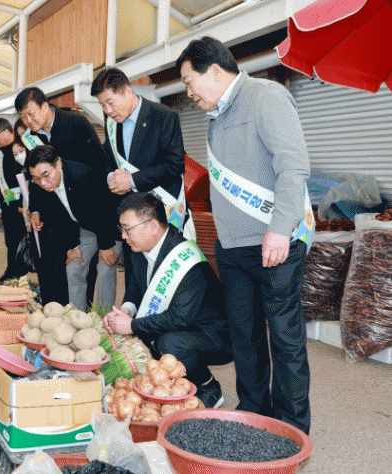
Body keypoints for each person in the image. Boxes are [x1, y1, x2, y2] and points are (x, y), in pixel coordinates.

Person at [176, 37, 314, 433]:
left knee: (285, 339)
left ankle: (291, 427)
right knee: (245, 337)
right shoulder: (216, 117)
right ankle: (254, 412)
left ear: (214, 71)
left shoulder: (266, 97)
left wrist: (280, 229)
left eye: (188, 81)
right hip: (233, 249)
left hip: (274, 243)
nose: (188, 93)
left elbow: (293, 166)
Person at [104, 193, 232, 408]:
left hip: (215, 335)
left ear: (153, 226)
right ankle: (175, 381)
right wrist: (127, 310)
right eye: (121, 229)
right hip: (181, 324)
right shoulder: (139, 248)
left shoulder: (186, 260)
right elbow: (135, 288)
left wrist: (132, 325)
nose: (124, 236)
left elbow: (177, 319)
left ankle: (208, 386)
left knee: (169, 343)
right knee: (149, 344)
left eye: (127, 229)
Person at [90, 67, 191, 238]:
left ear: (128, 91)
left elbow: (174, 165)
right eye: (102, 105)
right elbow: (108, 156)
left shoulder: (163, 116)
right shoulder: (111, 123)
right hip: (130, 217)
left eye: (110, 102)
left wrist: (132, 180)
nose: (107, 110)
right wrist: (111, 178)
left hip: (162, 213)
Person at [28, 145, 122, 311]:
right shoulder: (41, 184)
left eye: (46, 175)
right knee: (73, 268)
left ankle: (103, 317)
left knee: (105, 267)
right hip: (85, 228)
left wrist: (106, 245)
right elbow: (61, 218)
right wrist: (73, 246)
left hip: (109, 227)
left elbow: (104, 210)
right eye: (36, 178)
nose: (43, 183)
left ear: (58, 164)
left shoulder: (81, 175)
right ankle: (77, 317)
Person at [14, 86, 106, 176]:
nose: (28, 120)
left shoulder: (76, 122)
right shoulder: (29, 138)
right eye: (23, 117)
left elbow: (100, 159)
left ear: (45, 107)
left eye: (31, 114)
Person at [0, 118, 30, 281]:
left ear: (6, 132)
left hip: (19, 207)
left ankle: (16, 272)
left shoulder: (18, 150)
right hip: (8, 205)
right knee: (11, 240)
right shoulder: (3, 152)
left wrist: (22, 204)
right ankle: (11, 270)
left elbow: (25, 179)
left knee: (19, 240)